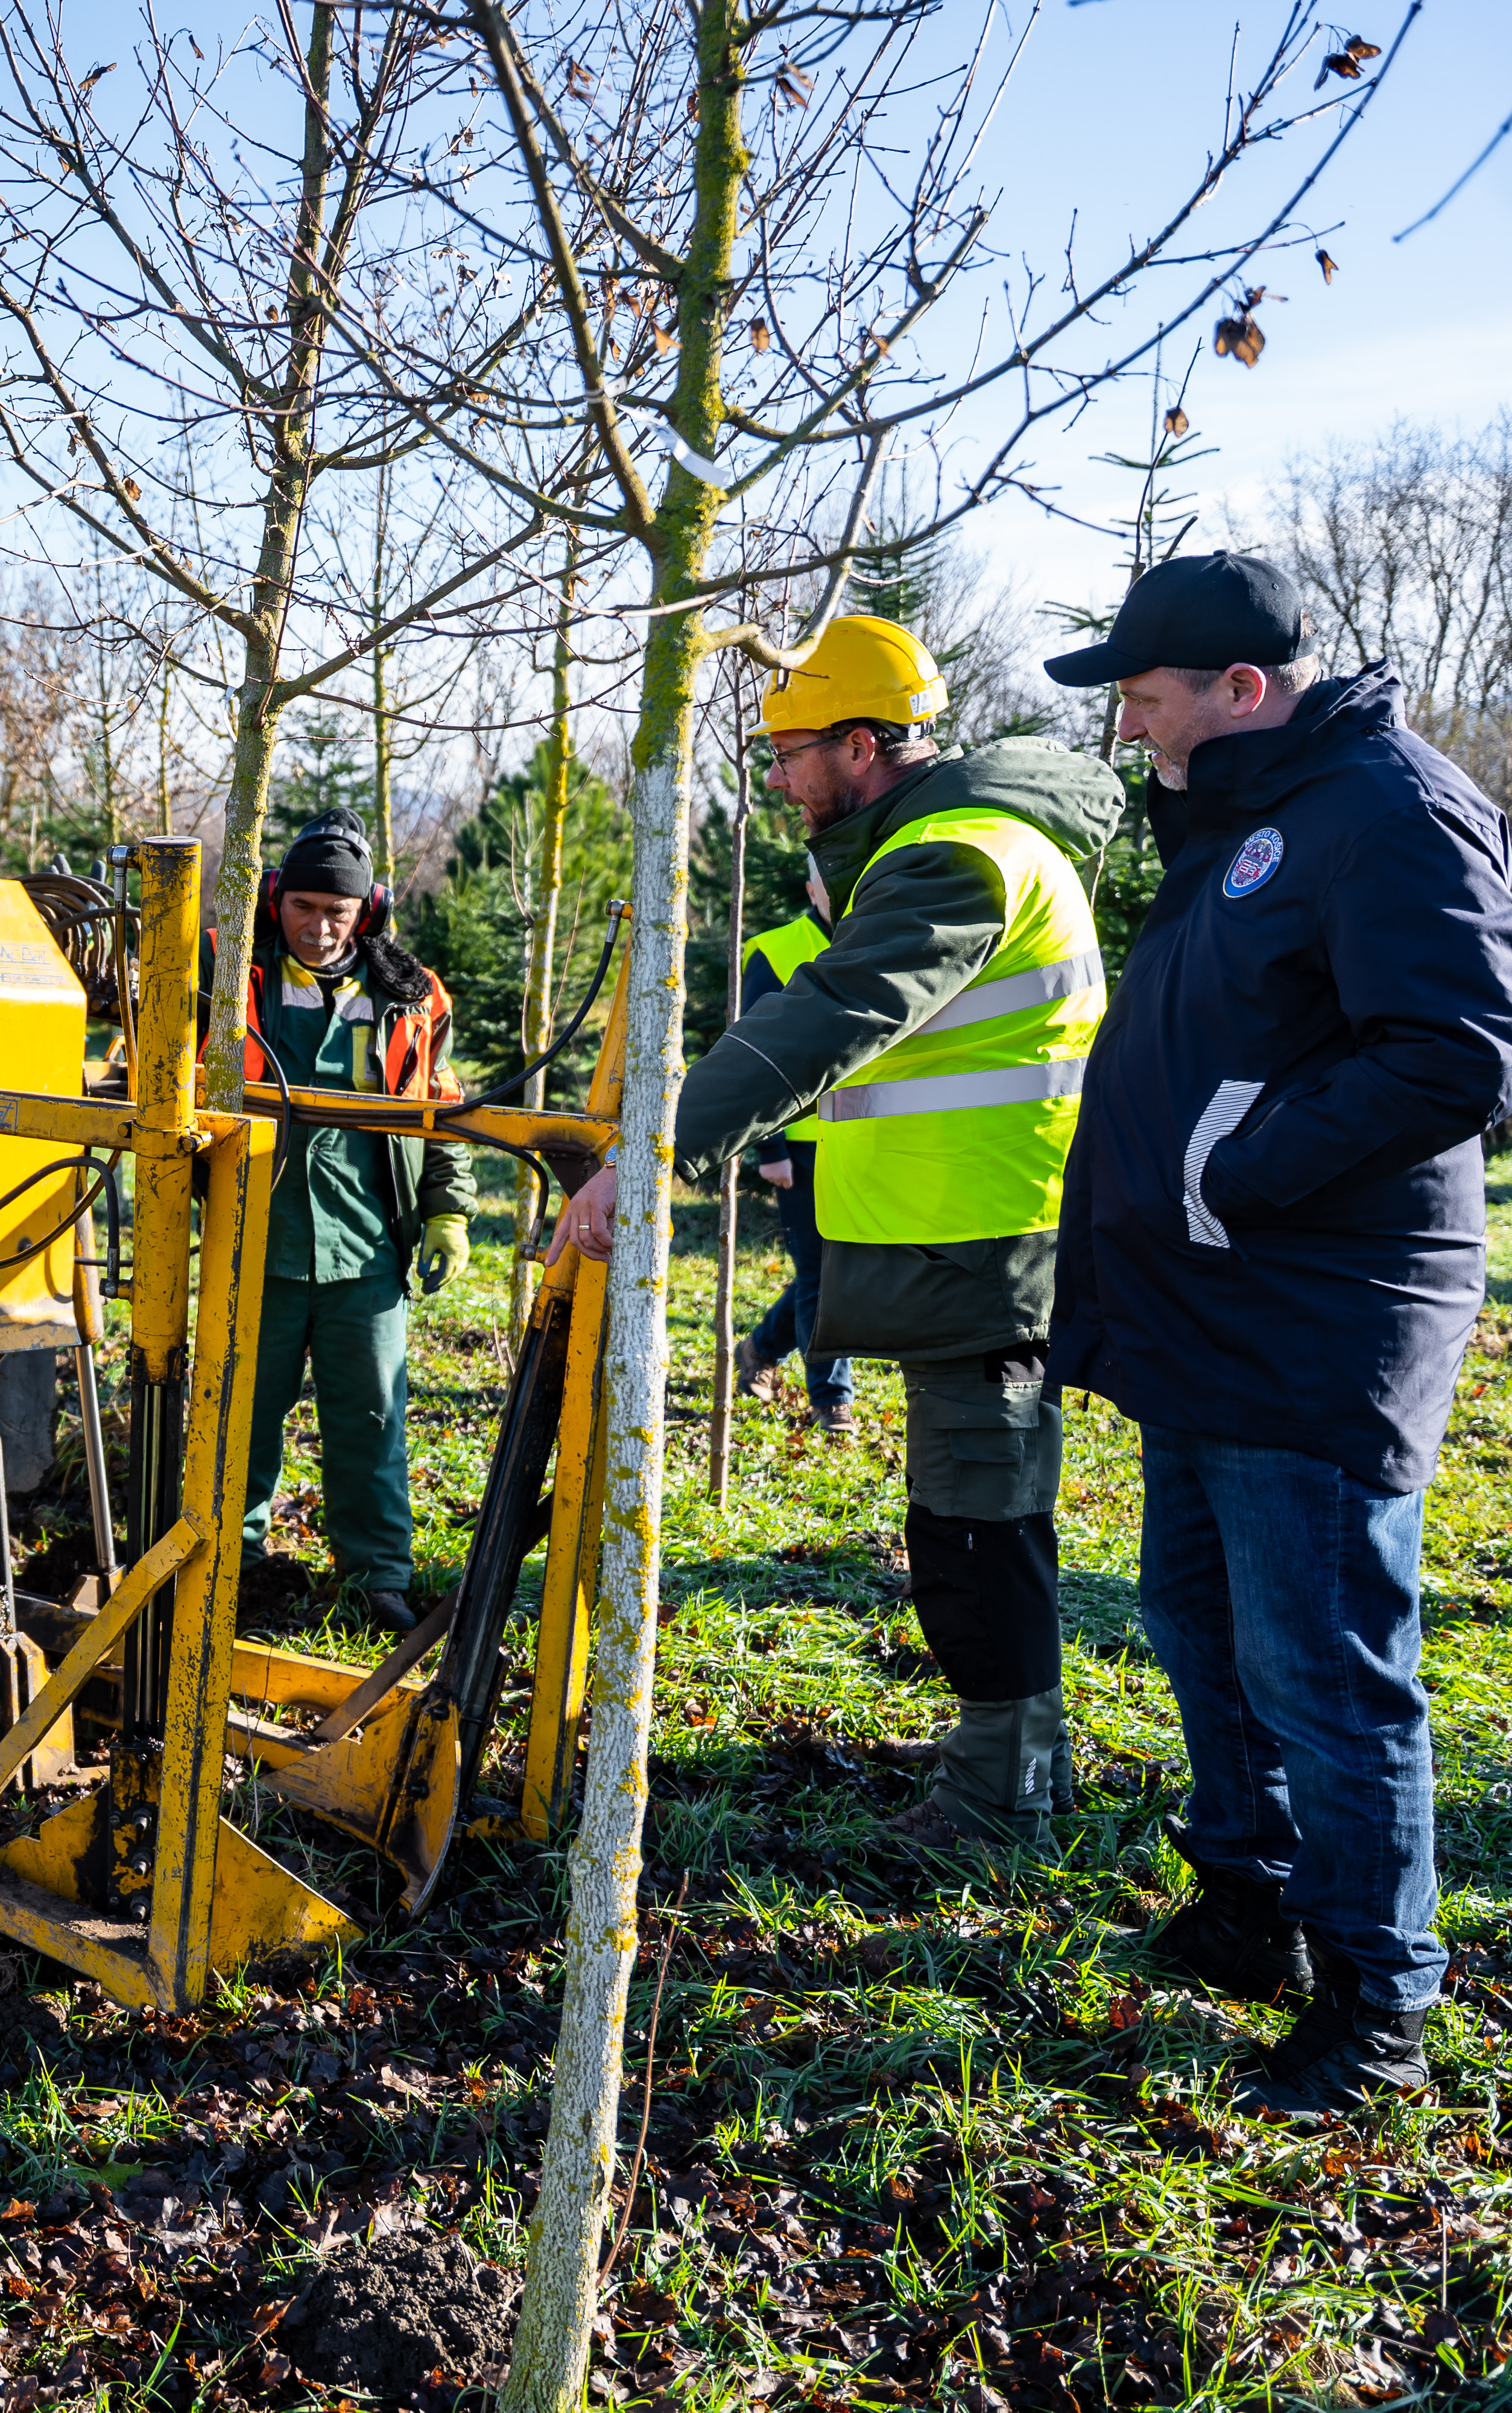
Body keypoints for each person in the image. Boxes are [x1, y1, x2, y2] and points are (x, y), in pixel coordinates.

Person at [1044, 550, 1512, 2116]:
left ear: (1242, 688)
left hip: (1318, 1317)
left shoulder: (1388, 809)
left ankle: (1377, 2002)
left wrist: (1233, 1171)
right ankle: (1250, 1900)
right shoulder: (1257, 812)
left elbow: (1462, 1050)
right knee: (1197, 1621)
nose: (1131, 727)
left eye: (1147, 698)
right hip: (1212, 1304)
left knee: (1324, 1668)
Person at [557, 615, 1124, 1857]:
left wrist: (650, 1156)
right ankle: (1015, 1755)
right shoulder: (941, 847)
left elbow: (829, 1019)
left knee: (976, 1533)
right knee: (975, 1523)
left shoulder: (956, 859)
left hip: (984, 1241)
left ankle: (1001, 1801)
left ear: (861, 746)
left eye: (789, 752)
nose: (775, 778)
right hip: (960, 1237)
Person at [236, 811, 475, 1633]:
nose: (319, 927)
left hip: (367, 1253)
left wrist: (448, 1212)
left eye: (337, 912)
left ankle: (378, 1579)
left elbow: (440, 1108)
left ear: (366, 912)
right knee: (239, 1418)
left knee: (373, 1421)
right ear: (275, 901)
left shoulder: (409, 997)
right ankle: (228, 1565)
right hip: (253, 1245)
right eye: (304, 907)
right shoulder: (230, 980)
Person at [731, 896, 858, 1436]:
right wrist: (770, 1146)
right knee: (821, 1273)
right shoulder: (777, 950)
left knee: (838, 1269)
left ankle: (760, 1348)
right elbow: (756, 1054)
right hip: (801, 1146)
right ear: (812, 888)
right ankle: (833, 1401)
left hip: (863, 1139)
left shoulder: (875, 936)